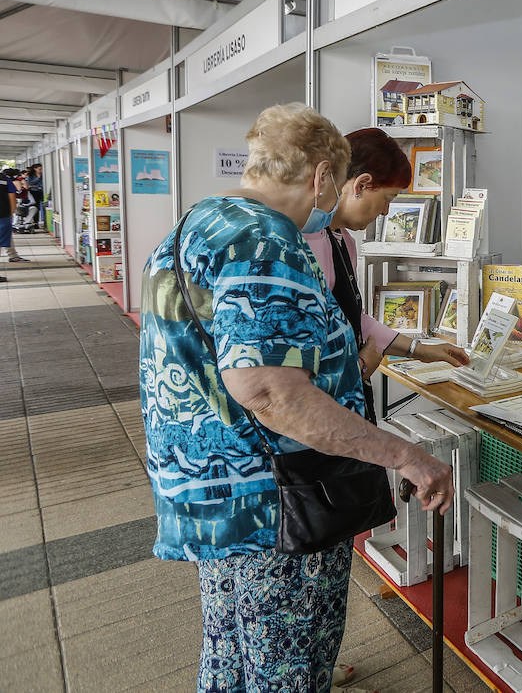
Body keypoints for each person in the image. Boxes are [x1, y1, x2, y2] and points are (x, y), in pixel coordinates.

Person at [138, 104, 454, 692]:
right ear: (322, 176)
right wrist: (403, 455)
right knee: (288, 668)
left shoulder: (198, 224)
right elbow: (268, 392)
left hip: (218, 499)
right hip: (275, 507)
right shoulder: (264, 243)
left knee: (233, 656)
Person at [302, 127, 469, 423]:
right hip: (323, 417)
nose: (385, 212)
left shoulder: (344, 241)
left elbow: (355, 318)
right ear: (362, 185)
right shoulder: (308, 244)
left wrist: (422, 350)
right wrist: (362, 366)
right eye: (387, 198)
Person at [0, 169, 28, 265]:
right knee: (3, 236)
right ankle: (13, 256)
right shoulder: (5, 180)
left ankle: (13, 256)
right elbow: (12, 196)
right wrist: (11, 212)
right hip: (3, 215)